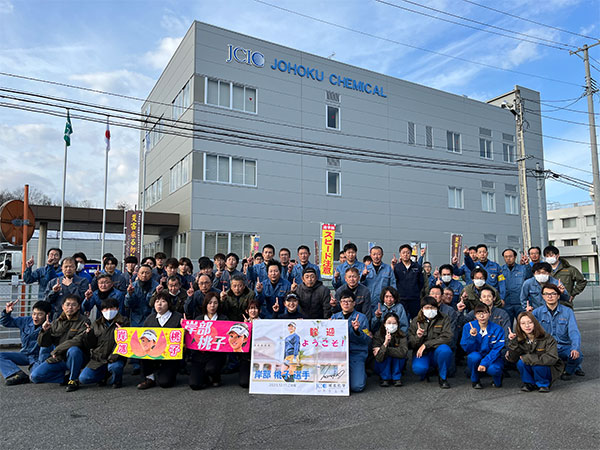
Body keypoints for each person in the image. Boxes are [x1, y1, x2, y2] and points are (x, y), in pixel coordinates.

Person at [30, 295, 90, 392]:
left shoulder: (84, 321)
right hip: (59, 358)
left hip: (75, 358)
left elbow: (77, 340)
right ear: (63, 306)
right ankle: (64, 378)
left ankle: (73, 379)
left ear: (79, 307)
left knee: (74, 350)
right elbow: (44, 344)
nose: (70, 307)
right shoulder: (56, 322)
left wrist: (57, 350)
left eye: (74, 305)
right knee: (35, 376)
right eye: (67, 304)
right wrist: (44, 331)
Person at [533, 283, 584, 379]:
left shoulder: (568, 311)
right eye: (546, 294)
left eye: (553, 293)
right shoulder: (536, 312)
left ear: (558, 296)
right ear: (543, 297)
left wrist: (575, 348)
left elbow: (574, 331)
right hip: (546, 347)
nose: (550, 296)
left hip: (563, 346)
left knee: (578, 356)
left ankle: (568, 371)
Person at [77, 297, 129, 388]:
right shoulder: (96, 323)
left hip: (115, 358)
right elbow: (91, 345)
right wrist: (88, 335)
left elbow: (125, 343)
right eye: (106, 309)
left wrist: (122, 333)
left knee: (115, 367)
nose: (109, 311)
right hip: (98, 358)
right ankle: (103, 376)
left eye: (112, 308)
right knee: (84, 378)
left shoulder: (124, 322)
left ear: (117, 309)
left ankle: (116, 381)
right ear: (101, 311)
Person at [505, 311, 564, 392]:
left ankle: (543, 384)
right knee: (520, 363)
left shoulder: (547, 338)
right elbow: (512, 359)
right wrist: (512, 342)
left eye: (530, 322)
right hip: (530, 367)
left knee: (538, 365)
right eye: (523, 323)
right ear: (519, 326)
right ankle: (528, 383)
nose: (527, 326)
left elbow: (552, 358)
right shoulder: (519, 339)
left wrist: (528, 358)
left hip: (546, 368)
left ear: (535, 323)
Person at [137, 291, 183, 389]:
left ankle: (170, 373)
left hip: (170, 357)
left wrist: (185, 328)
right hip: (153, 354)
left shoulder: (177, 317)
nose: (159, 304)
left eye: (163, 301)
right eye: (157, 301)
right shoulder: (150, 319)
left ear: (169, 304)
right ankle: (149, 378)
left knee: (165, 383)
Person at [0, 300, 52, 385]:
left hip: (38, 358)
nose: (35, 317)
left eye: (40, 314)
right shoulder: (26, 321)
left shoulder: (52, 325)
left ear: (47, 315)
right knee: (1, 356)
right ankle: (17, 374)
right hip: (24, 354)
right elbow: (6, 322)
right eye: (34, 314)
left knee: (36, 377)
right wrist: (7, 312)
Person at [408, 296, 453, 389]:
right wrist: (418, 337)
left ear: (437, 308)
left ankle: (442, 378)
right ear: (422, 309)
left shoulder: (444, 318)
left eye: (433, 307)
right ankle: (425, 373)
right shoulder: (416, 321)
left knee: (445, 350)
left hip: (437, 350)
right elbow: (411, 344)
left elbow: (447, 337)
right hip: (423, 353)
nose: (430, 310)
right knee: (419, 369)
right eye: (427, 308)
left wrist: (426, 344)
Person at [330, 290, 371, 393]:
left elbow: (366, 340)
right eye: (343, 301)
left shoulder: (362, 318)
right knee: (332, 382)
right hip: (338, 354)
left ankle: (361, 372)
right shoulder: (335, 317)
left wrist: (357, 331)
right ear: (340, 303)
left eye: (349, 301)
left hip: (356, 353)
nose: (346, 303)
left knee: (357, 386)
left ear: (354, 303)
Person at [460, 304, 505, 389]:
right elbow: (466, 349)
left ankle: (497, 380)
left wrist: (484, 363)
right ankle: (475, 380)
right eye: (478, 313)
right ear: (475, 315)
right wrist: (472, 337)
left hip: (493, 358)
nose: (481, 316)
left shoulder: (498, 329)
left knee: (494, 369)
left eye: (485, 313)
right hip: (477, 355)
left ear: (489, 314)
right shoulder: (468, 327)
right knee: (473, 357)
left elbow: (497, 350)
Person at [189, 292, 228, 390]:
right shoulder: (198, 319)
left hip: (216, 355)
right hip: (200, 355)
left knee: (211, 369)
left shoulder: (223, 319)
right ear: (205, 304)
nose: (212, 306)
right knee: (194, 385)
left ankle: (216, 377)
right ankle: (205, 378)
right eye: (210, 303)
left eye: (215, 303)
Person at [372, 312, 408, 387]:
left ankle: (396, 378)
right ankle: (385, 378)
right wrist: (385, 343)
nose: (391, 325)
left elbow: (403, 352)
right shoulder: (378, 335)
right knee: (384, 354)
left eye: (394, 323)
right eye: (389, 323)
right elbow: (378, 357)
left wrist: (385, 349)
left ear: (398, 325)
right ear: (384, 324)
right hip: (382, 364)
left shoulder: (402, 334)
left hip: (397, 363)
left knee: (396, 355)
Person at [501, 248, 533, 323]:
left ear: (515, 257)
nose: (508, 258)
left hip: (520, 302)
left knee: (523, 323)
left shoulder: (523, 268)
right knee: (507, 324)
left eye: (510, 256)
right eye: (506, 257)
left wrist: (527, 264)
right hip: (506, 302)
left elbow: (530, 276)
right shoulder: (500, 270)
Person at [393, 244, 424, 319]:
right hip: (401, 298)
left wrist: (415, 291)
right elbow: (394, 281)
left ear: (411, 254)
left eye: (408, 252)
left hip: (414, 298)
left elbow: (421, 282)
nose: (405, 255)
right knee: (401, 319)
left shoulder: (417, 267)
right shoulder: (396, 267)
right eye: (403, 253)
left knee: (416, 319)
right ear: (400, 254)